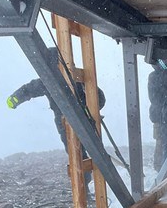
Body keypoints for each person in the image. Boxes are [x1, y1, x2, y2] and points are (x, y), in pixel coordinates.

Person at [7, 47, 106, 187]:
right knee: (78, 155)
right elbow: (28, 89)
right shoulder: (50, 80)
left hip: (80, 121)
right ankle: (85, 188)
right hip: (68, 123)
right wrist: (15, 99)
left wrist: (88, 106)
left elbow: (100, 99)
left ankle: (90, 186)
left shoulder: (74, 79)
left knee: (82, 155)